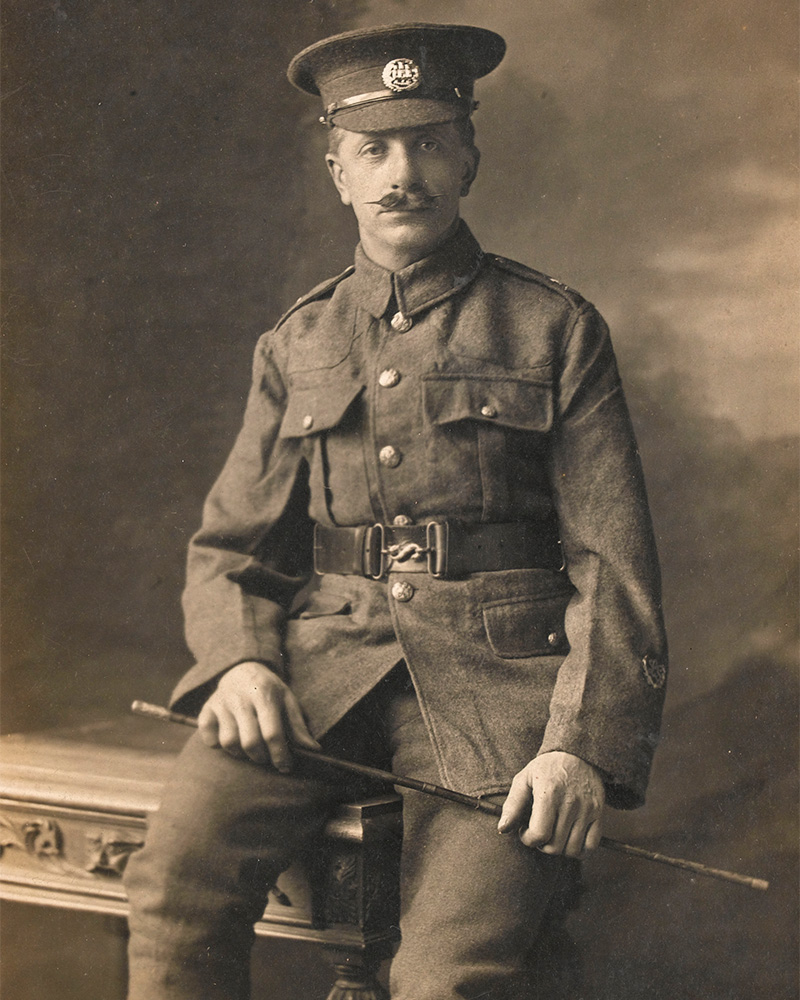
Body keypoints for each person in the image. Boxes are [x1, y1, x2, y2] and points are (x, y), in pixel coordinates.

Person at [124, 22, 668, 1000]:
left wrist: (578, 745)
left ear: (467, 156)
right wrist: (242, 661)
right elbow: (230, 550)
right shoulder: (296, 340)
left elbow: (612, 567)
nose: (399, 174)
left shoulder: (553, 328)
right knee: (170, 894)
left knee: (442, 977)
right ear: (337, 171)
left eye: (424, 142)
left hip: (500, 695)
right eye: (372, 149)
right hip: (319, 682)